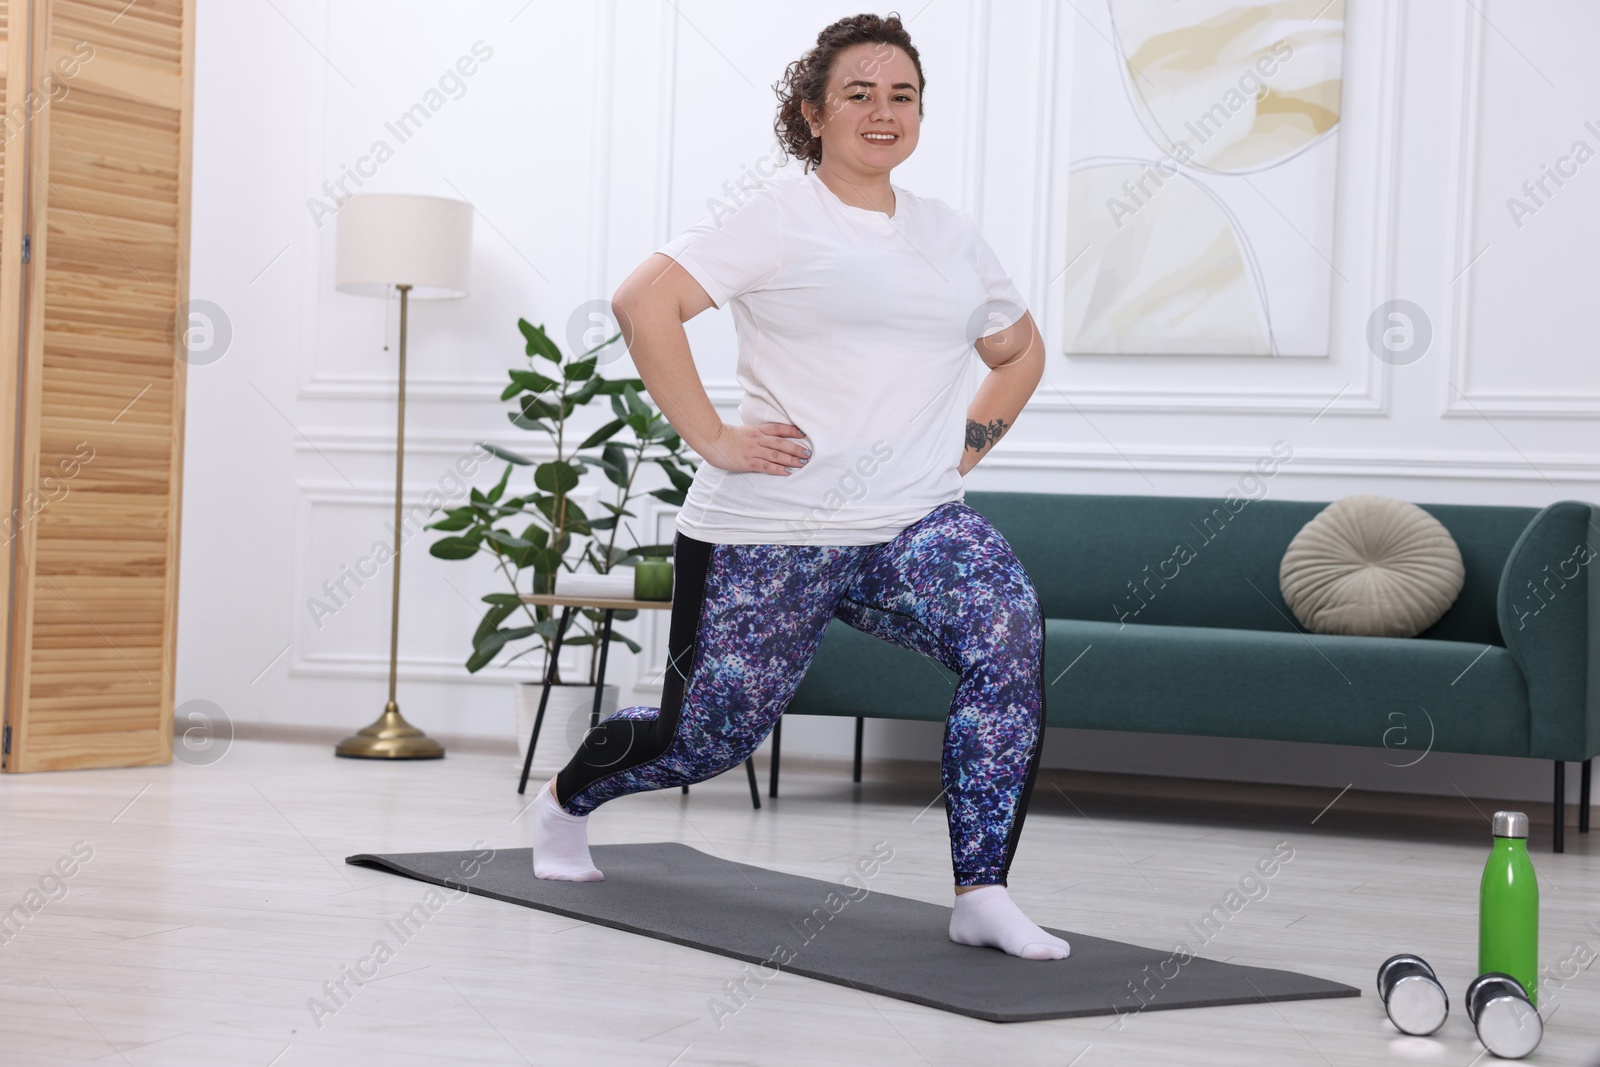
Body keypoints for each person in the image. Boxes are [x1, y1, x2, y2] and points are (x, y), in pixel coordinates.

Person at [531, 12, 1067, 961]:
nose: (883, 111)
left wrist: (964, 451)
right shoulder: (774, 219)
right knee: (705, 737)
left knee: (1008, 633)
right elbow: (643, 301)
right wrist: (712, 436)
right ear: (813, 112)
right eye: (859, 93)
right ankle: (568, 799)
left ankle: (981, 887)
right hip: (768, 529)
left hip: (910, 522)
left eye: (902, 95)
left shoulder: (950, 236)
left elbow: (1017, 351)